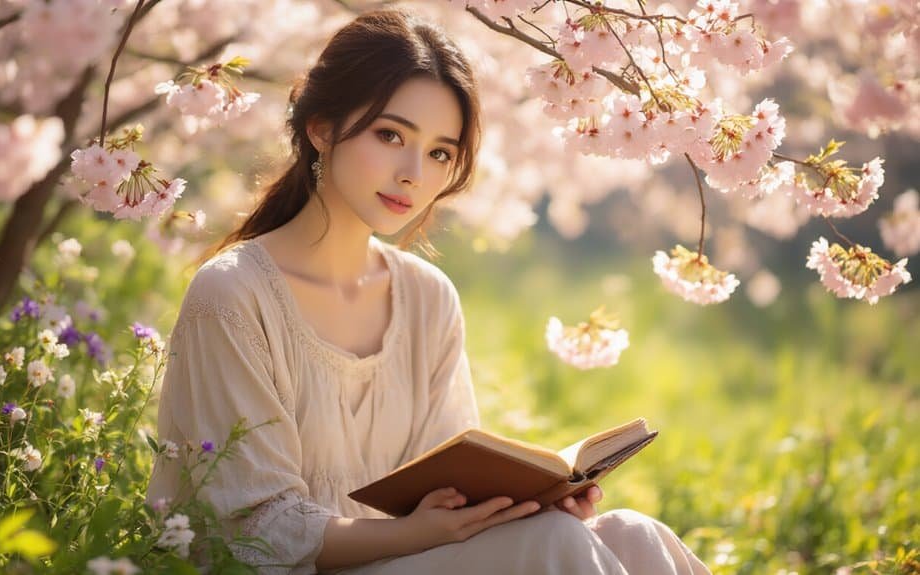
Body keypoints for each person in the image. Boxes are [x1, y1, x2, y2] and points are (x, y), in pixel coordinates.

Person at [146, 8, 712, 575]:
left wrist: (530, 502)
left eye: (440, 152)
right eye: (390, 135)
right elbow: (250, 530)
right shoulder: (233, 294)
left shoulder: (426, 297)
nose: (414, 173)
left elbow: (452, 486)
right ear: (321, 128)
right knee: (555, 545)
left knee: (632, 533)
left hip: (412, 558)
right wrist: (414, 533)